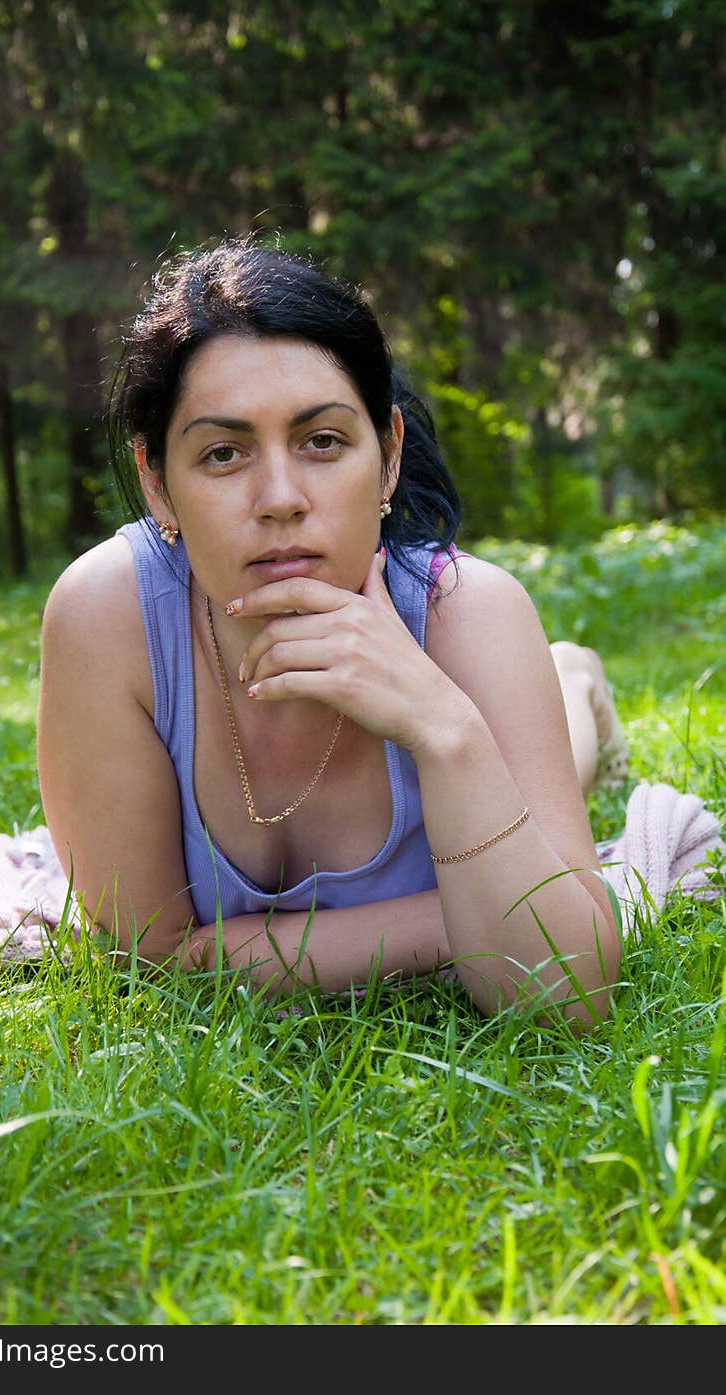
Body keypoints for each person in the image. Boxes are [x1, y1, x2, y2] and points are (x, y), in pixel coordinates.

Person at [34, 235, 626, 1027]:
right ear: (156, 483)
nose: (280, 496)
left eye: (322, 441)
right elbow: (152, 961)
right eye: (222, 453)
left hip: (473, 661)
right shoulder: (106, 616)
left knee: (563, 755)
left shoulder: (467, 612)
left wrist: (443, 725)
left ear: (386, 459)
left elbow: (570, 993)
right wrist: (463, 922)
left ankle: (570, 683)